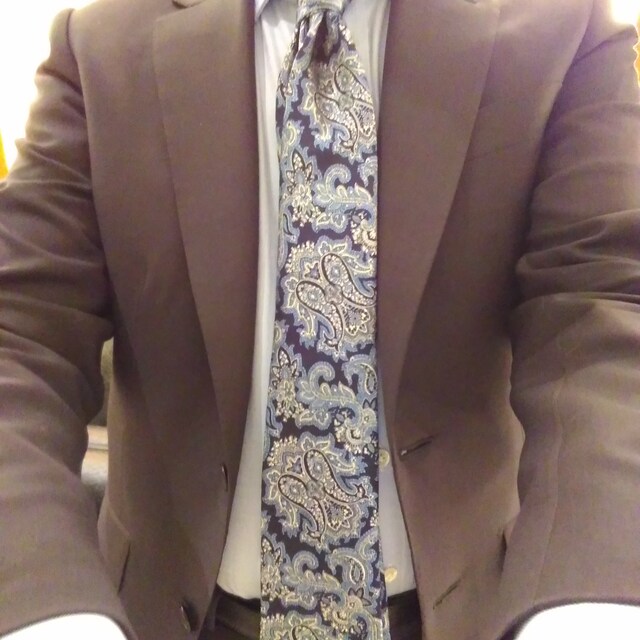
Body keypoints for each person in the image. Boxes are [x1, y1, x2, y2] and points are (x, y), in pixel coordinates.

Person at [1, 0, 639, 639]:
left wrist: (589, 604)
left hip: (469, 611)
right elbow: (21, 330)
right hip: (159, 617)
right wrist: (45, 606)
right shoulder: (101, 48)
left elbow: (602, 309)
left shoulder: (560, 28)